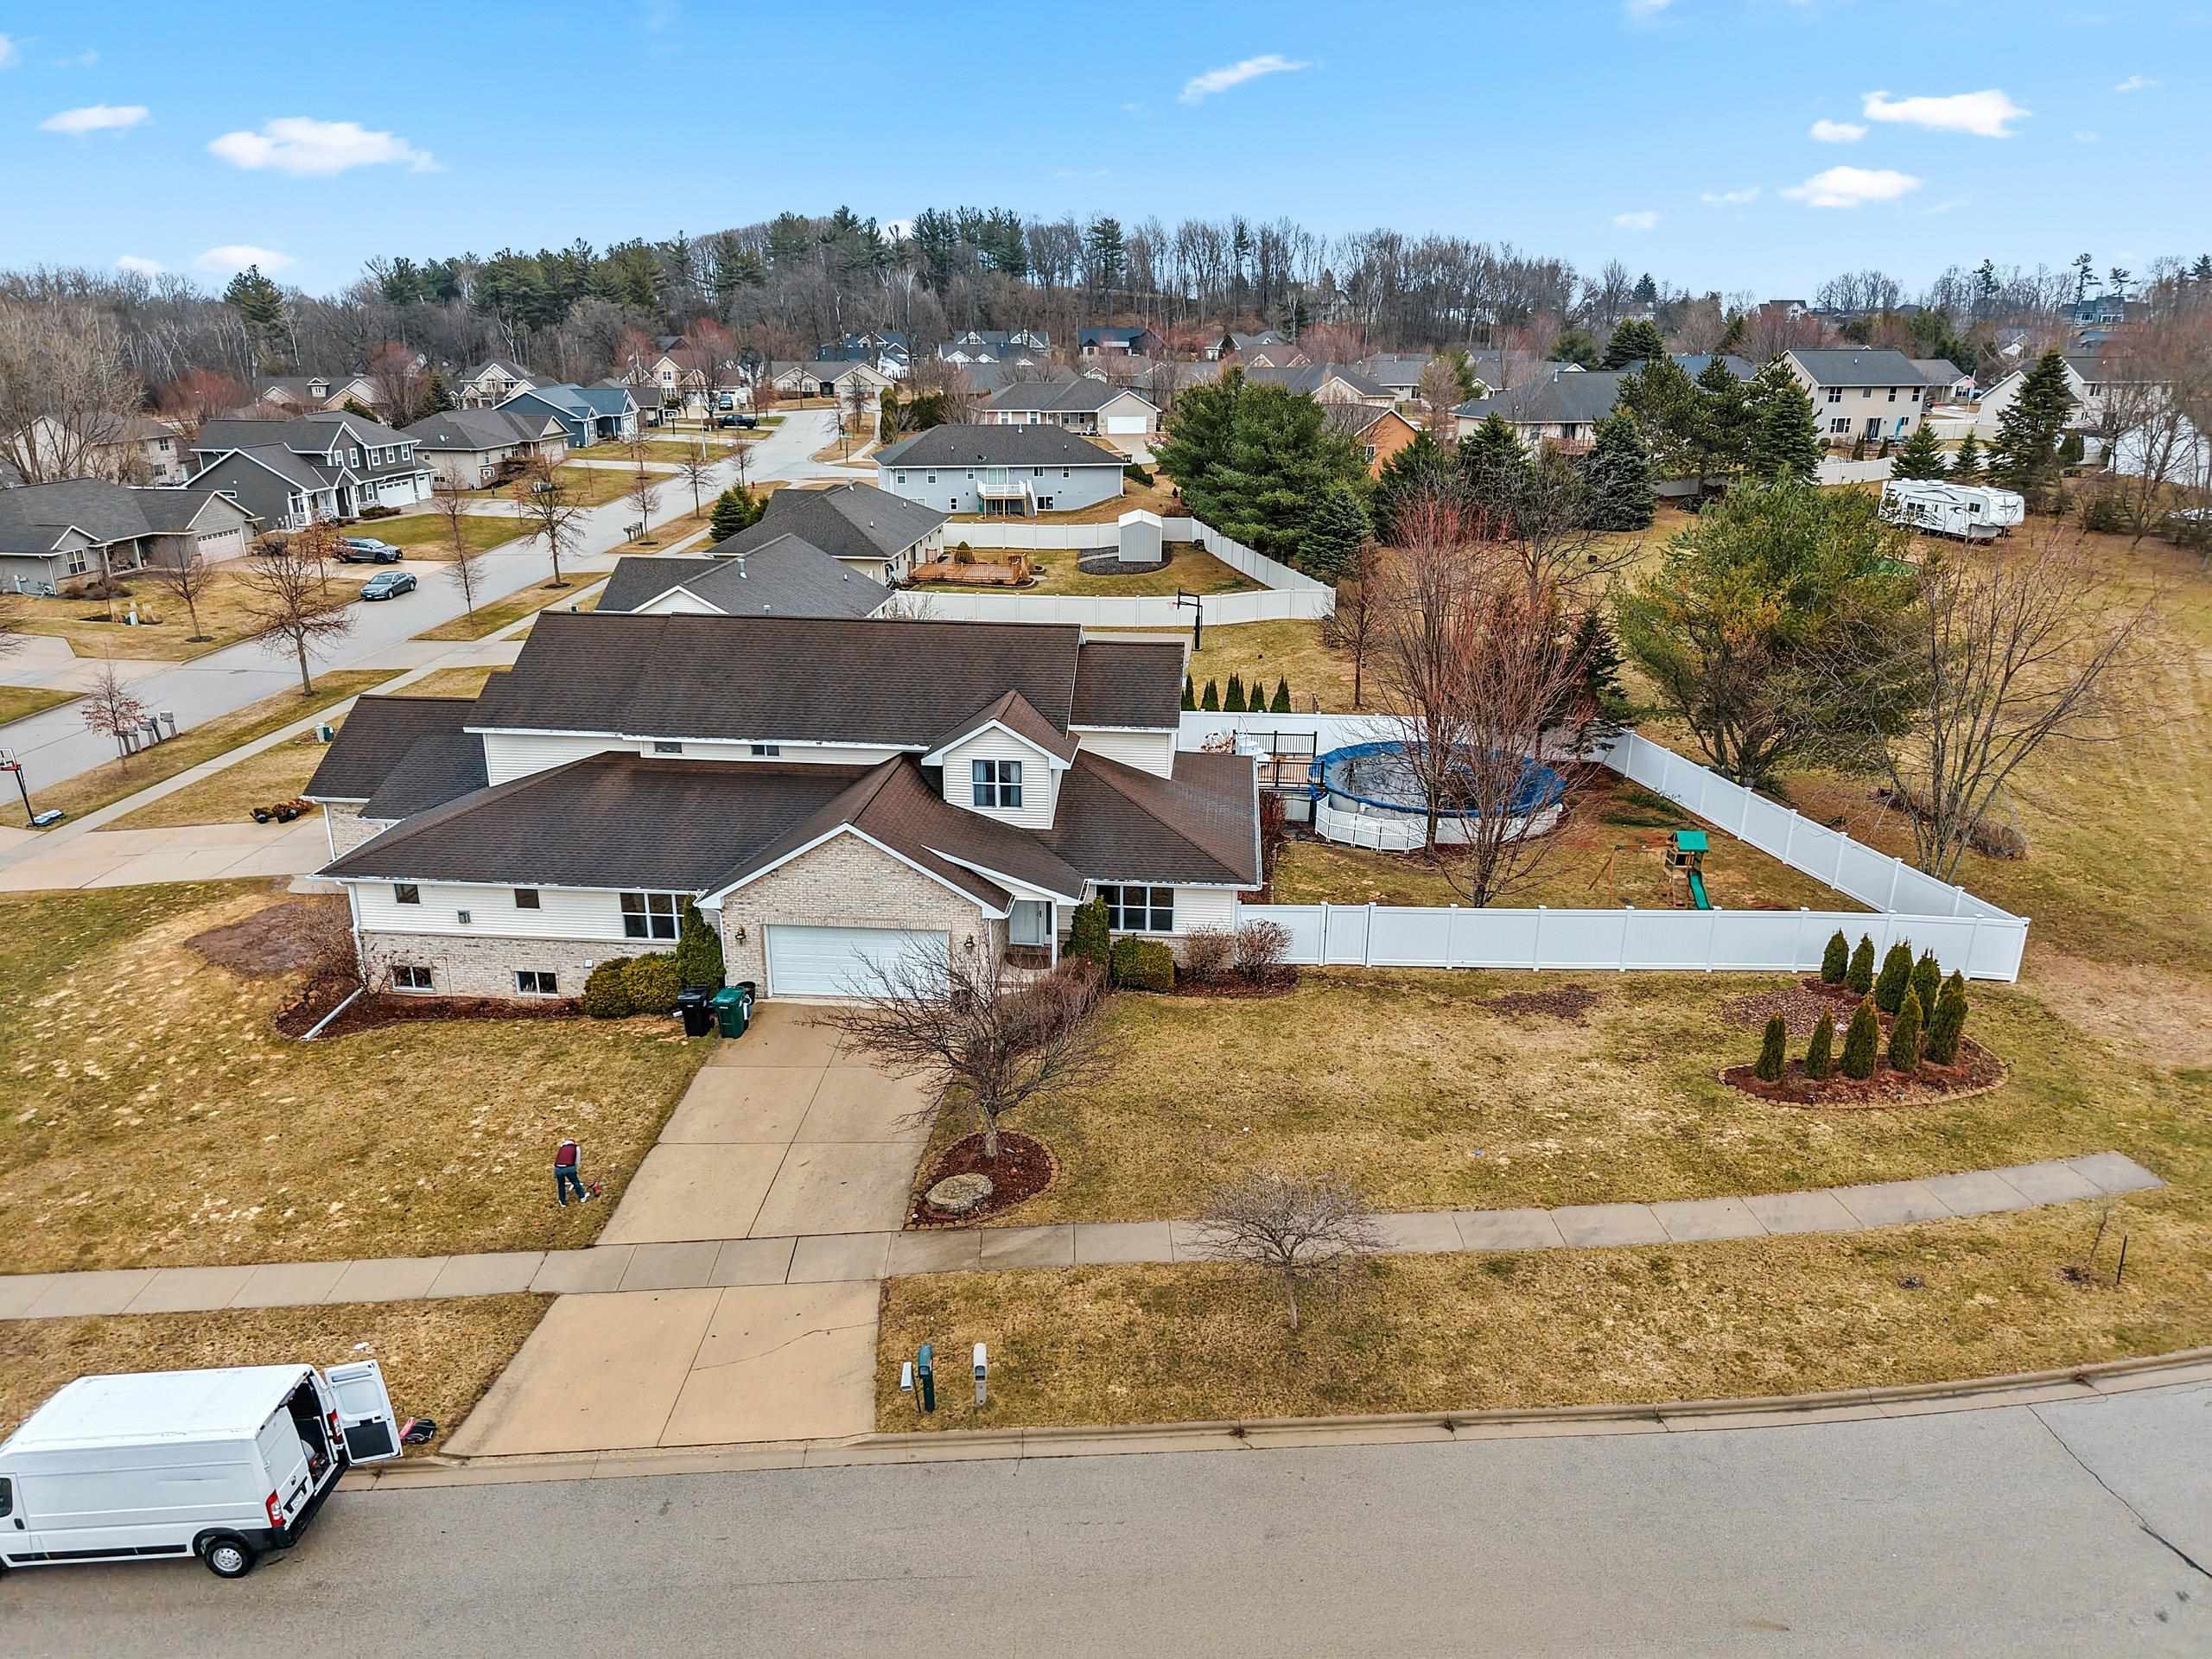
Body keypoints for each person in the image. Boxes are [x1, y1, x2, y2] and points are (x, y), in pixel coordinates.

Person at [554, 1136, 590, 1206]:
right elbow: (577, 1160)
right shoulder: (576, 1147)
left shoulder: (561, 1147)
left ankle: (562, 1202)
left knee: (561, 1185)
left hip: (558, 1168)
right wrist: (576, 1169)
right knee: (575, 1182)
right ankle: (582, 1197)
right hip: (569, 1168)